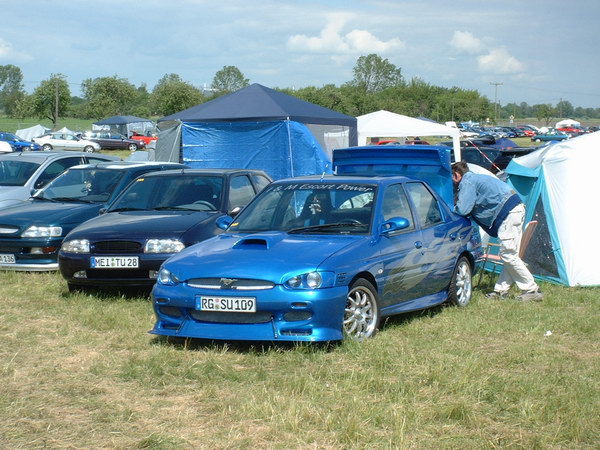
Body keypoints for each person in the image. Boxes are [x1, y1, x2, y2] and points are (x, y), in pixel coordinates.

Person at [452, 161, 542, 301]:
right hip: (515, 209)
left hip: (508, 214)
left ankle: (531, 289)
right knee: (510, 254)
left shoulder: (467, 181)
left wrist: (453, 209)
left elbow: (463, 209)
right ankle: (500, 291)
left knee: (508, 255)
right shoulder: (477, 178)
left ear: (457, 175)